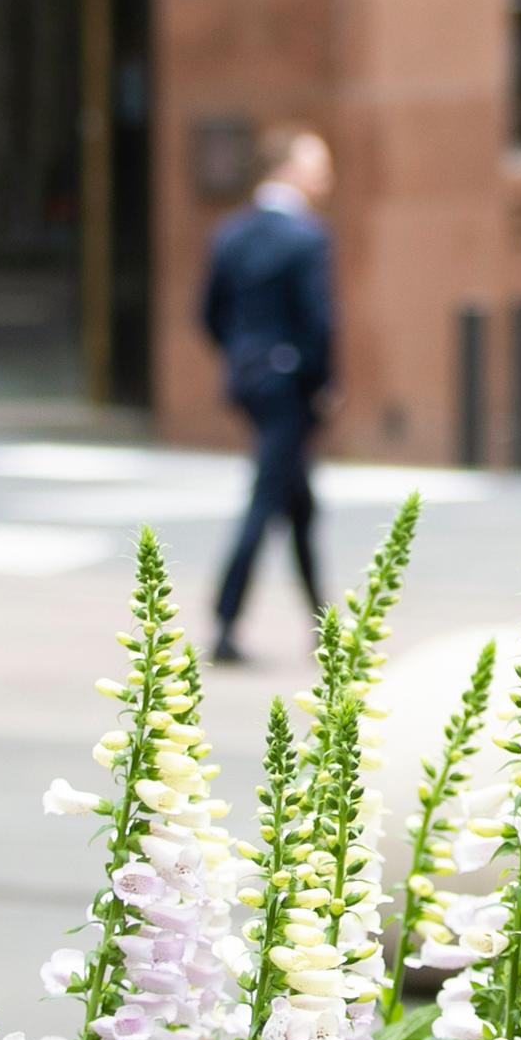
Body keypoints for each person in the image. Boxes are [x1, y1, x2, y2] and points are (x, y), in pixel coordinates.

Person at [201, 127, 336, 665]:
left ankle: (321, 625)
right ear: (287, 170)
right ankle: (226, 621)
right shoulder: (306, 237)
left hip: (248, 380)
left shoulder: (230, 233)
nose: (326, 178)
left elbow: (209, 313)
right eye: (318, 165)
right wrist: (323, 385)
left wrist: (241, 358)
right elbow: (321, 322)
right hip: (291, 385)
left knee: (297, 502)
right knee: (267, 498)